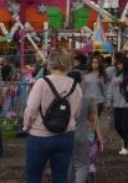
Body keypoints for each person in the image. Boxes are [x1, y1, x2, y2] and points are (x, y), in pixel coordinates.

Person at [24, 50, 83, 183]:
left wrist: (27, 126)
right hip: (66, 135)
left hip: (39, 135)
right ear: (69, 65)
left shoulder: (41, 82)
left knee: (33, 176)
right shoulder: (76, 86)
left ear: (49, 64)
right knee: (61, 176)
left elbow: (31, 109)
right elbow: (77, 113)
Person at [67, 71, 103, 183]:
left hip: (65, 136)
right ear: (80, 82)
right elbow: (93, 121)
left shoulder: (62, 97)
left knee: (69, 165)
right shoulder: (86, 99)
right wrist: (98, 137)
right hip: (82, 136)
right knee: (82, 165)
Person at [107, 55, 128, 155]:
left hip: (127, 103)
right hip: (116, 103)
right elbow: (111, 88)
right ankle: (126, 139)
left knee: (124, 124)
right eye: (117, 64)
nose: (118, 65)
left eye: (120, 64)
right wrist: (109, 101)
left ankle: (125, 146)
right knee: (117, 125)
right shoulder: (115, 75)